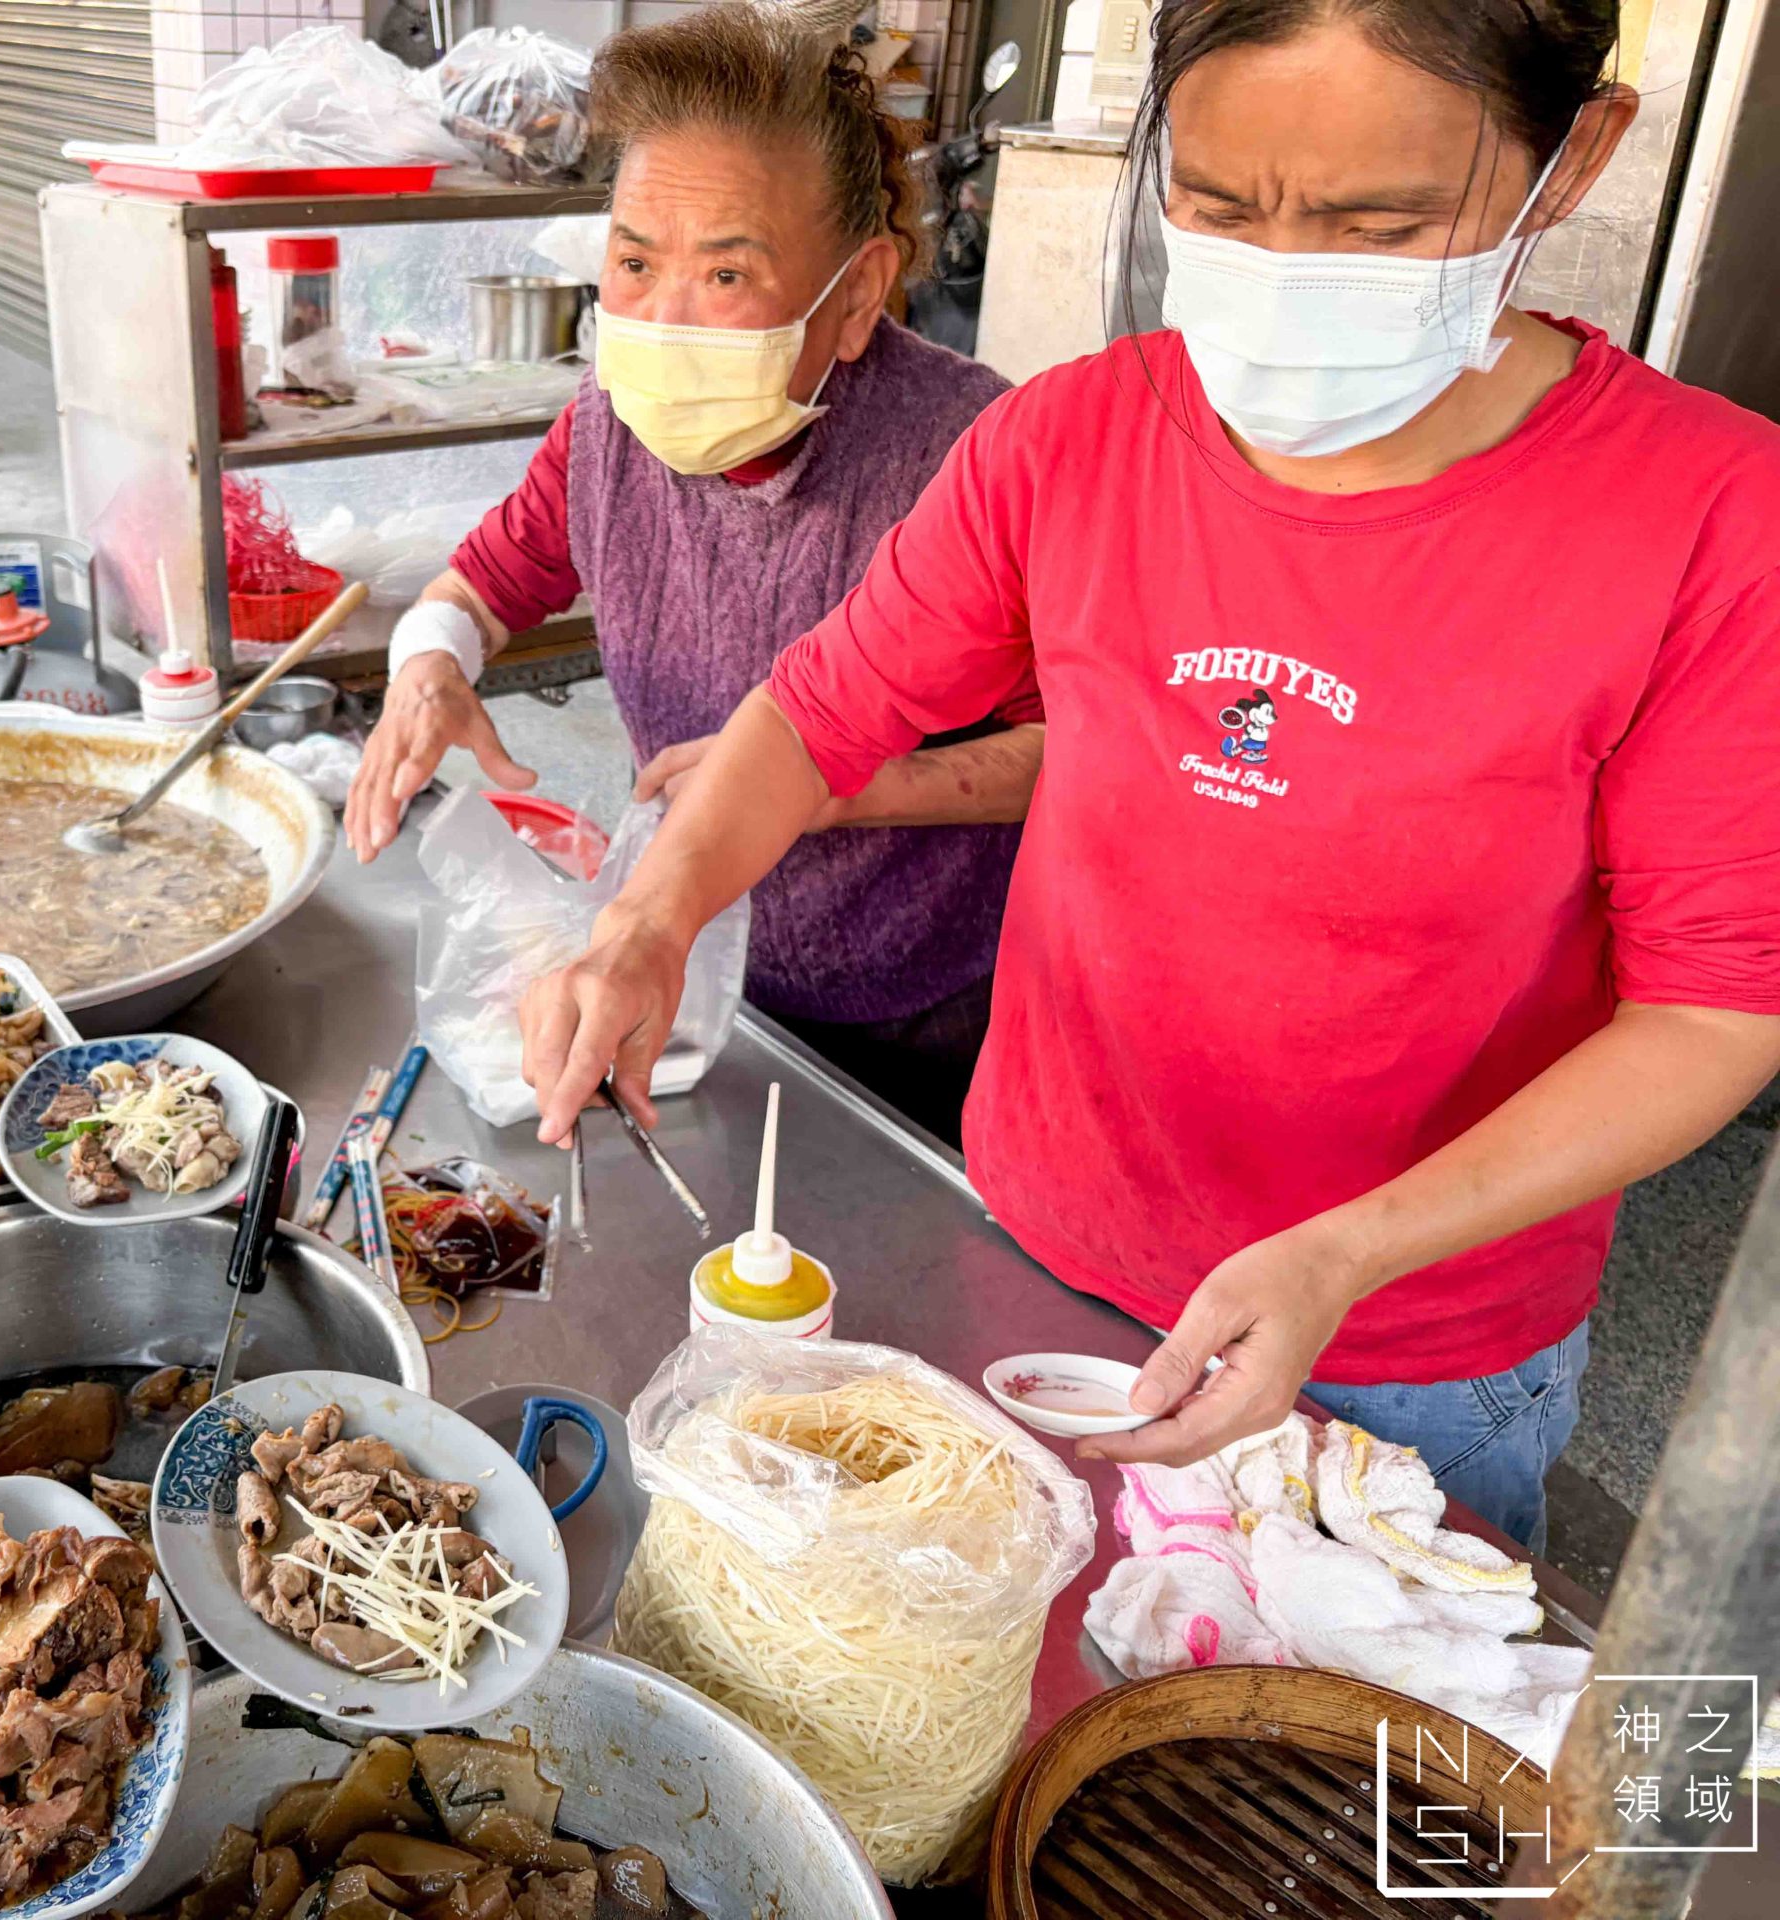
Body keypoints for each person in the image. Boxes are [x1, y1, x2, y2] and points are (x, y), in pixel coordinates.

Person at [515, 0, 1780, 1553]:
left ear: (1571, 158)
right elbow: (815, 717)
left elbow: (1713, 1013)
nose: (1286, 269)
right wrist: (647, 922)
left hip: (1399, 1348)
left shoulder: (1713, 522)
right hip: (1037, 1244)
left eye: (1378, 225)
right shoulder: (1073, 440)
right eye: (1221, 202)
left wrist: (1346, 1253)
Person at [344, 4, 1040, 1144]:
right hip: (694, 980)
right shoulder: (607, 423)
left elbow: (1075, 749)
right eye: (632, 262)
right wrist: (429, 663)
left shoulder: (968, 453)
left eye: (725, 273)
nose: (662, 321)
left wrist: (828, 783)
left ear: (857, 293)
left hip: (924, 1008)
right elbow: (482, 584)